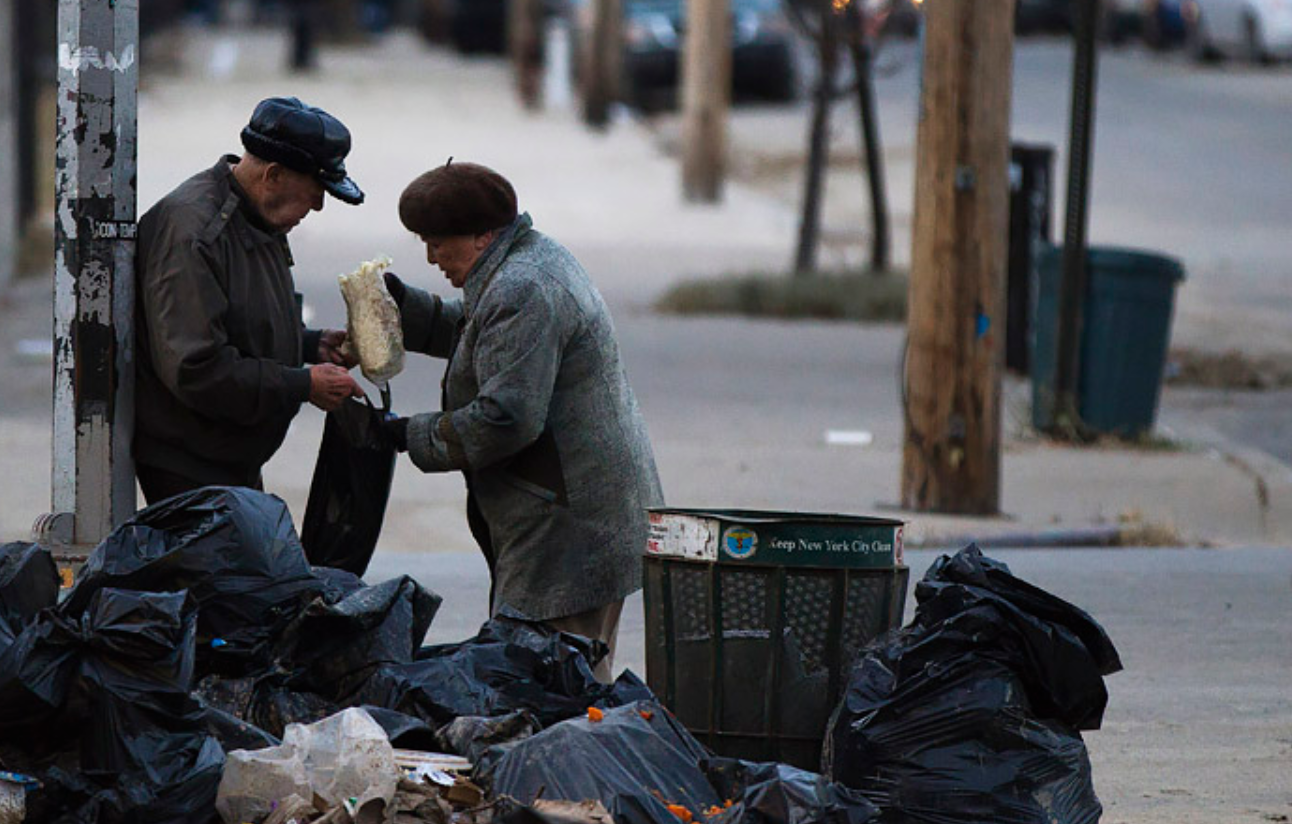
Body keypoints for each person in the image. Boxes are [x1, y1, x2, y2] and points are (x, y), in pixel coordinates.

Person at [382, 160, 663, 681]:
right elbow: (485, 341)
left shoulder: (523, 289)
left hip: (568, 526)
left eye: (439, 242)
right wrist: (409, 312)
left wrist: (409, 434)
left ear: (483, 235)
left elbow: (506, 418)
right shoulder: (526, 259)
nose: (431, 256)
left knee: (555, 690)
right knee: (567, 684)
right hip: (574, 512)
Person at [134, 96, 366, 505]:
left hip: (228, 458)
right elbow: (197, 369)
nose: (317, 205)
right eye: (315, 190)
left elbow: (240, 319)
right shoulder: (195, 232)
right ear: (273, 174)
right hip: (190, 465)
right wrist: (301, 384)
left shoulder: (258, 211)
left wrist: (310, 344)